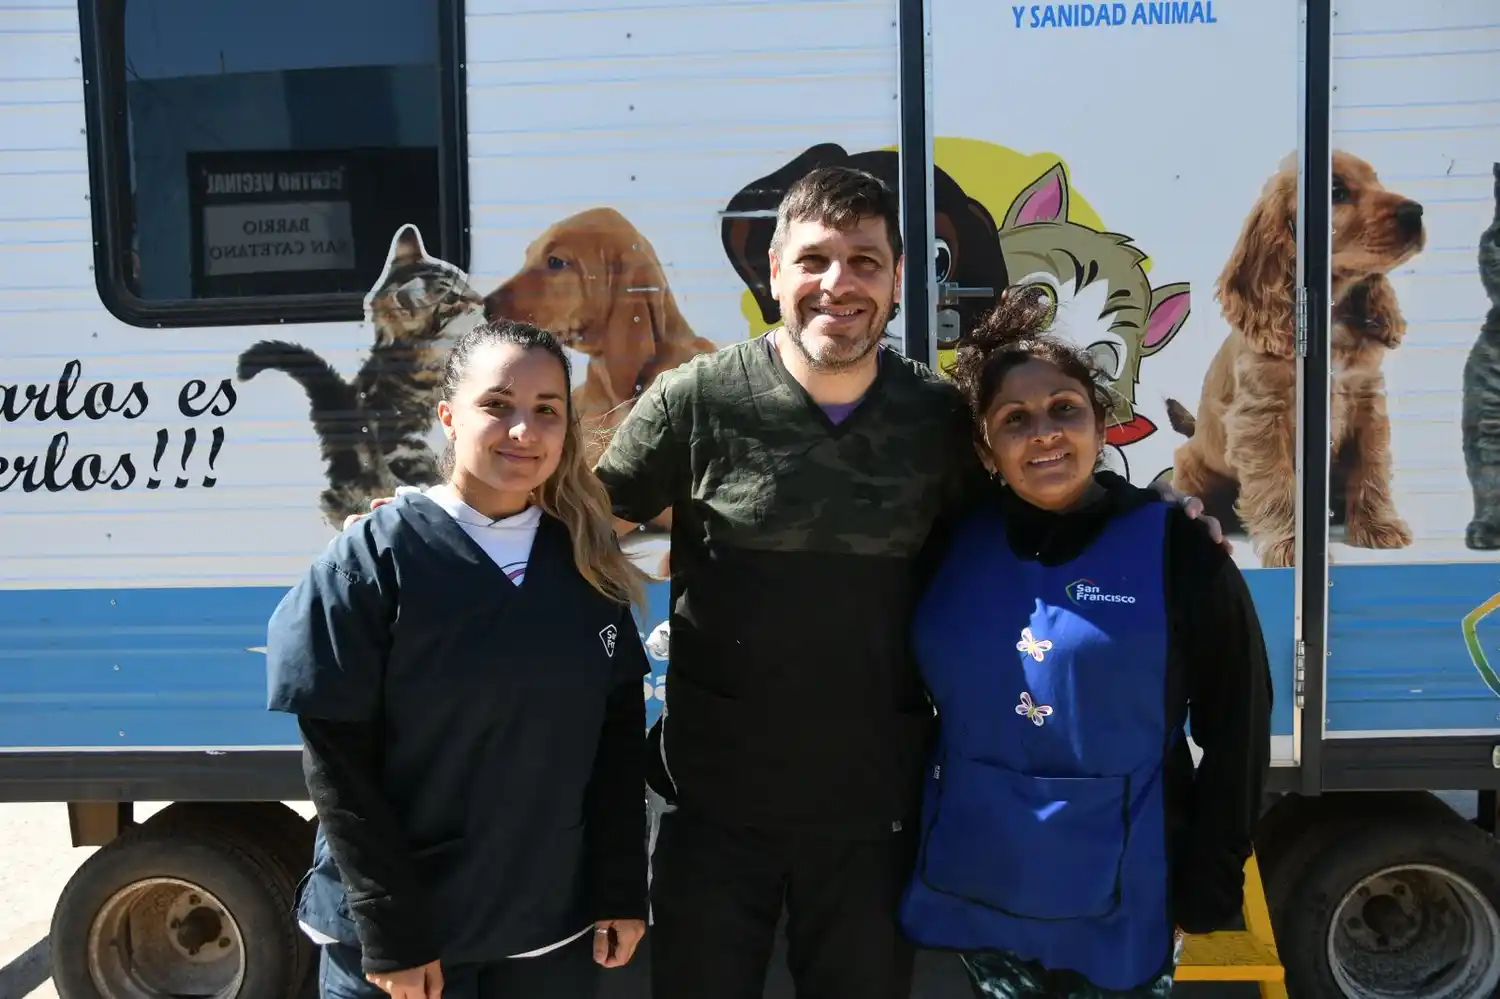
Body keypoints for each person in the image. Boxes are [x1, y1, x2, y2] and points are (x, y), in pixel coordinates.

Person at [346, 166, 1226, 999]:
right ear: (775, 271)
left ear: (896, 279)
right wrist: (428, 524)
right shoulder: (695, 402)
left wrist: (1148, 516)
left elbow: (1034, 501)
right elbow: (568, 522)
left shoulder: (934, 419)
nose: (837, 284)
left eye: (864, 263)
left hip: (875, 819)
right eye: (813, 259)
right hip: (712, 816)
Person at [896, 288, 1272, 999]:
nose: (1044, 432)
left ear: (1103, 425)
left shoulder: (1176, 548)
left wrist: (1212, 879)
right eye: (1015, 419)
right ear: (985, 445)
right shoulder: (943, 543)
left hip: (1126, 886)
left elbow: (1238, 724)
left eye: (1065, 409)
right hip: (981, 874)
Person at [265, 319, 651, 999]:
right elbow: (337, 767)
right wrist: (389, 929)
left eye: (546, 411)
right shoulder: (375, 557)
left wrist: (621, 886)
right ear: (448, 416)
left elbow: (614, 750)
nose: (523, 432)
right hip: (403, 947)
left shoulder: (588, 568)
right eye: (497, 406)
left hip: (544, 932)